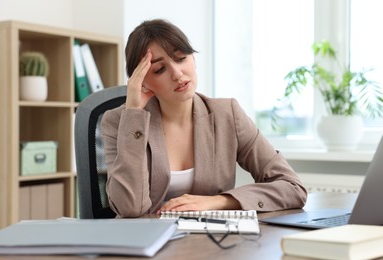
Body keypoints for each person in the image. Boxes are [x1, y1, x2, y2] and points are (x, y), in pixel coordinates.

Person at [101, 19, 307, 218]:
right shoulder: (119, 122)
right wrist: (134, 115)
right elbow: (129, 208)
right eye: (160, 69)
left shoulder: (228, 114)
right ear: (142, 82)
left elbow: (292, 187)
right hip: (147, 244)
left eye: (181, 58)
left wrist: (218, 201)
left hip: (211, 242)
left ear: (193, 59)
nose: (177, 73)